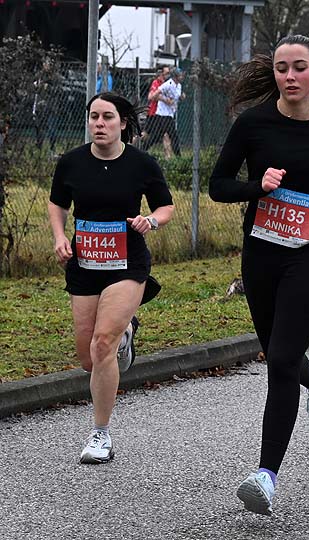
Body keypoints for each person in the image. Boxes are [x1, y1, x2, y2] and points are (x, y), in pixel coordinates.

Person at [209, 34, 309, 514]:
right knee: (281, 357)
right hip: (260, 254)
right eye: (282, 68)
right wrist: (256, 187)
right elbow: (218, 185)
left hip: (308, 255)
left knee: (280, 360)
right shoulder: (253, 123)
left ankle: (265, 477)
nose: (290, 76)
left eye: (299, 67)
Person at [48, 92, 174, 464]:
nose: (99, 124)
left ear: (123, 123)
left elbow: (165, 206)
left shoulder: (142, 164)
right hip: (85, 264)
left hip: (127, 264)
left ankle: (100, 434)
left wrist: (151, 221)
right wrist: (59, 237)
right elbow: (58, 204)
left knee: (103, 344)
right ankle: (127, 331)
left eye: (107, 117)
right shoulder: (71, 162)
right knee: (90, 358)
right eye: (94, 117)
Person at [143, 67, 185, 156]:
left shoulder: (179, 86)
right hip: (163, 114)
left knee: (156, 136)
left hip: (170, 114)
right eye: (180, 75)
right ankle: (179, 156)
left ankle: (142, 149)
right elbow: (154, 95)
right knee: (173, 136)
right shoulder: (167, 84)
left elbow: (176, 97)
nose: (182, 77)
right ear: (175, 76)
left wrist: (181, 97)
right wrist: (165, 99)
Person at [141, 65, 170, 154]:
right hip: (153, 113)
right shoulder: (156, 83)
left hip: (163, 115)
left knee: (165, 135)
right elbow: (150, 96)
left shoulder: (168, 84)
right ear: (161, 74)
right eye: (166, 73)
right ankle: (130, 146)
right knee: (145, 134)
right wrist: (164, 98)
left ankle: (168, 159)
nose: (168, 75)